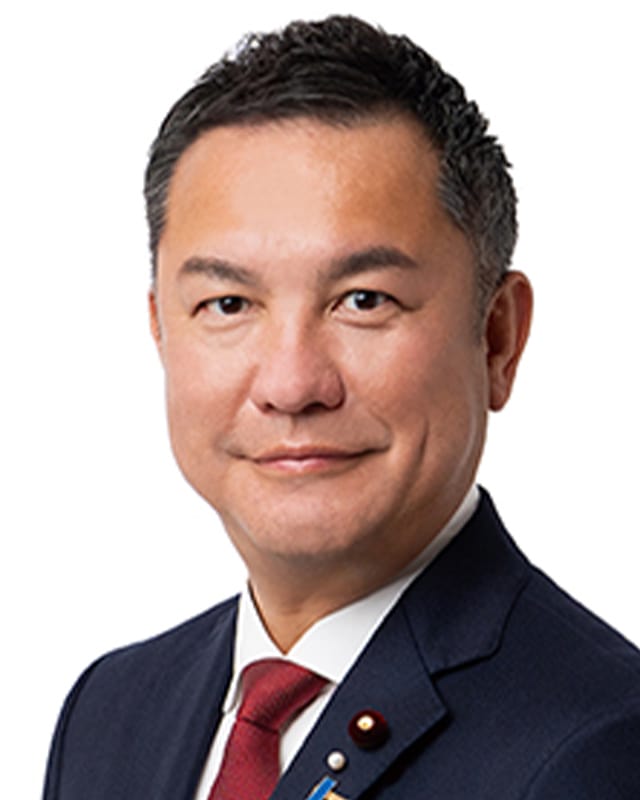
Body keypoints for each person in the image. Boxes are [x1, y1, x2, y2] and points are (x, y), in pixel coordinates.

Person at [43, 15, 640, 800]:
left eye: (363, 300)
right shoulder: (111, 711)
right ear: (161, 330)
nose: (292, 386)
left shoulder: (601, 747)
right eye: (228, 304)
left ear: (498, 337)